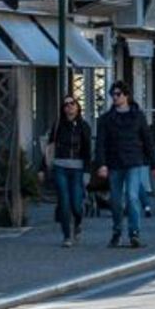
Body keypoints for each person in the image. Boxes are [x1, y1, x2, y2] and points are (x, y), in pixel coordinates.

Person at [96, 81, 155, 248]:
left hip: (134, 161)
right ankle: (117, 231)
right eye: (113, 94)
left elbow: (147, 140)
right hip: (114, 162)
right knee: (116, 201)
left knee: (131, 197)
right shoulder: (106, 119)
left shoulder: (138, 116)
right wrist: (101, 164)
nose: (115, 97)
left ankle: (134, 233)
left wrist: (154, 165)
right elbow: (100, 143)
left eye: (118, 94)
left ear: (126, 96)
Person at [48, 96, 92, 248]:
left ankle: (78, 221)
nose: (69, 107)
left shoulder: (84, 126)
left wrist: (87, 171)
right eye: (66, 104)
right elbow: (49, 147)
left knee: (76, 203)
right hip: (60, 166)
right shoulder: (58, 125)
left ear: (78, 107)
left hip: (78, 168)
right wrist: (43, 168)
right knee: (64, 201)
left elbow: (87, 151)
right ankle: (67, 236)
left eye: (72, 103)